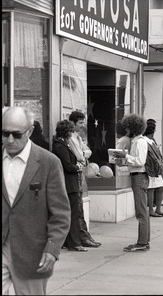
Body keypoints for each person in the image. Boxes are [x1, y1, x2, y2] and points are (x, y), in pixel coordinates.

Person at [2, 106, 71, 295]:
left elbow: (61, 212)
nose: (9, 140)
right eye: (4, 133)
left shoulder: (48, 162)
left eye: (16, 135)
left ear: (30, 132)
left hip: (31, 252)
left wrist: (53, 248)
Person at [114, 113, 150, 252]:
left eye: (128, 127)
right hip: (138, 175)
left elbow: (140, 161)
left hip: (139, 176)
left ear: (132, 127)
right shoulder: (138, 141)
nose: (126, 129)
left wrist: (125, 156)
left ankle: (142, 243)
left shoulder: (139, 141)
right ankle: (144, 241)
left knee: (141, 212)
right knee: (142, 211)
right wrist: (124, 161)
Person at [52, 120, 87, 252]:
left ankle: (68, 241)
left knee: (69, 214)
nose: (72, 133)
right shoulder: (60, 146)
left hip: (69, 183)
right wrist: (77, 167)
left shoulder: (62, 145)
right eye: (71, 131)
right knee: (72, 215)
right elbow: (67, 165)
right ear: (67, 132)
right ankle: (74, 243)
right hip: (68, 184)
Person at [69, 111, 101, 248]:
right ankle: (82, 237)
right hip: (75, 174)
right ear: (73, 123)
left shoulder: (78, 137)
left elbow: (88, 151)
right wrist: (83, 154)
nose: (82, 125)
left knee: (80, 206)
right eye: (80, 122)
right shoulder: (70, 137)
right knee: (78, 208)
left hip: (80, 173)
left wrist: (83, 153)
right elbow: (80, 156)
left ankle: (85, 235)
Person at [143, 119, 163, 217]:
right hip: (150, 168)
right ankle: (151, 210)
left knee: (160, 187)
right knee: (151, 189)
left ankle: (158, 209)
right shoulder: (145, 140)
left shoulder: (151, 140)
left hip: (156, 168)